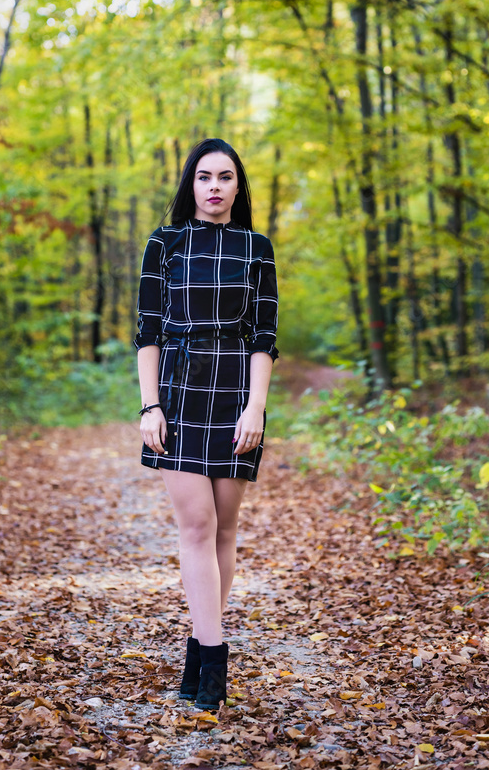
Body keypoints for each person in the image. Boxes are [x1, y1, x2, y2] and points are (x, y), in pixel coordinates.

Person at [133, 137, 279, 711]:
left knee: (224, 528)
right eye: (203, 177)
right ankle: (215, 660)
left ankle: (199, 646)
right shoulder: (163, 244)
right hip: (178, 389)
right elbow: (146, 331)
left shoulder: (257, 248)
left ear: (238, 186)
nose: (214, 186)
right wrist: (150, 406)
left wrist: (256, 408)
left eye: (225, 177)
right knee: (195, 525)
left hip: (236, 392)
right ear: (189, 184)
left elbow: (265, 338)